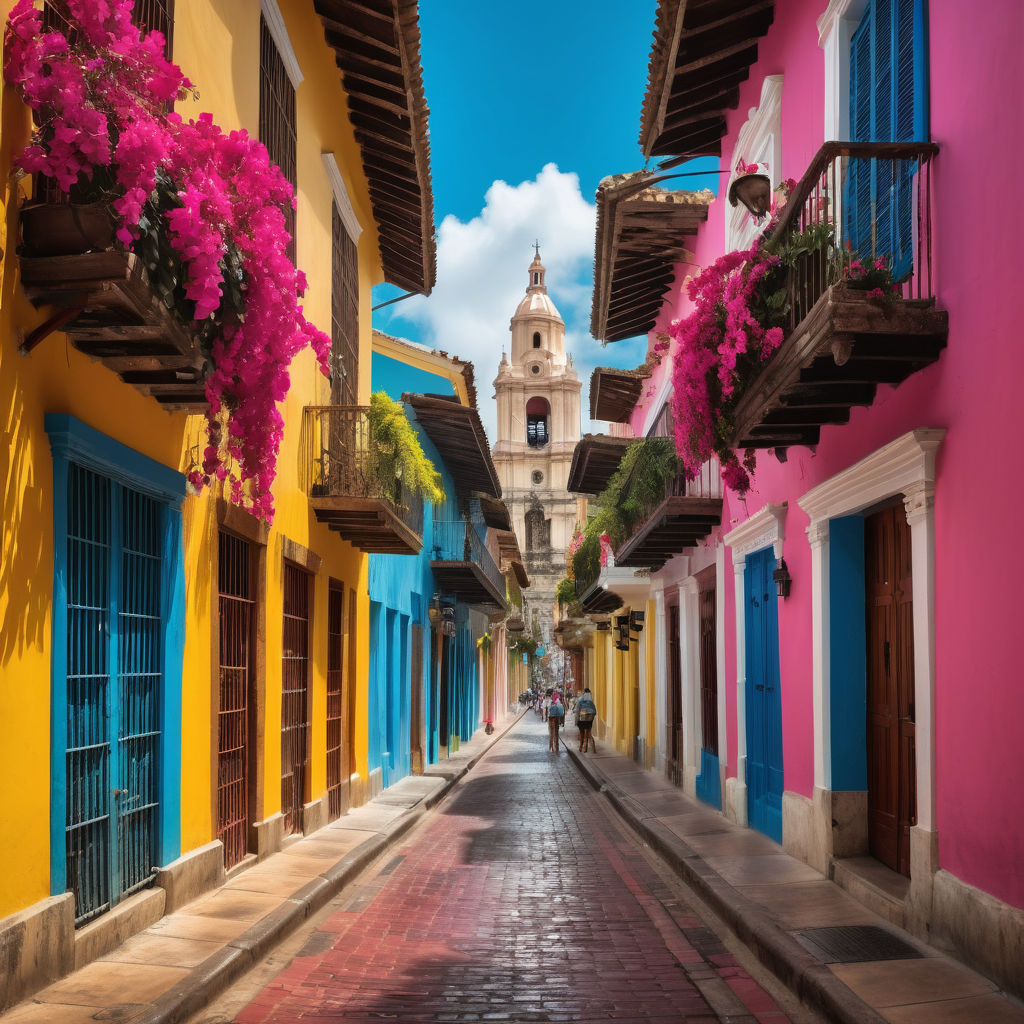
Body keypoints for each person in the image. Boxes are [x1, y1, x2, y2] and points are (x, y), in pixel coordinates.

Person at [575, 687, 597, 752]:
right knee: (589, 733)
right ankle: (592, 748)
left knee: (582, 733)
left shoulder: (581, 700)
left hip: (582, 720)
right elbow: (595, 711)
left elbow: (577, 710)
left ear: (584, 693)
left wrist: (576, 720)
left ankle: (581, 747)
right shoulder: (591, 701)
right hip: (589, 720)